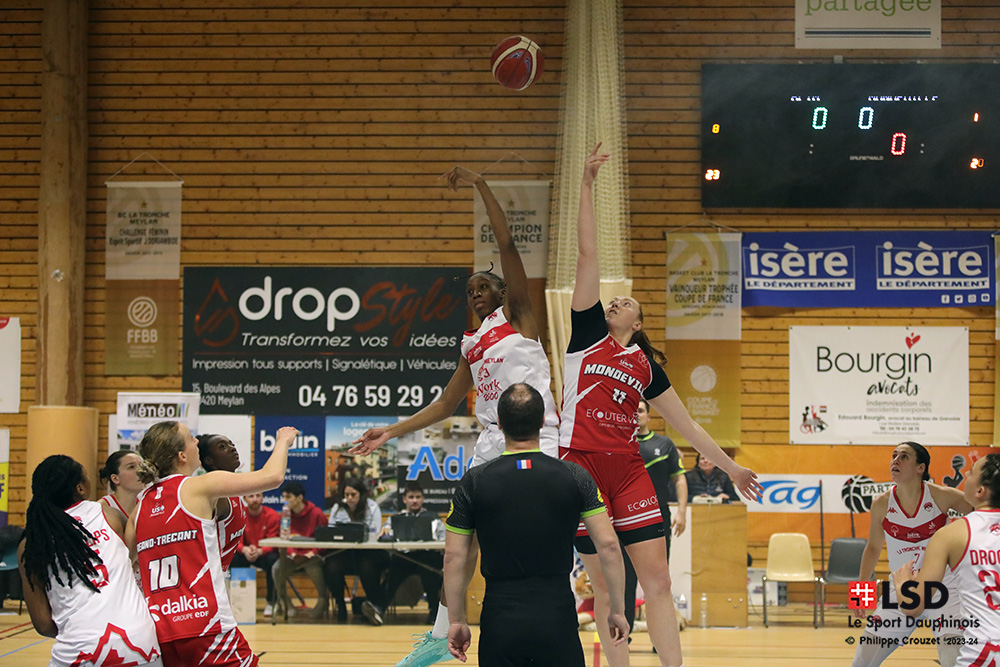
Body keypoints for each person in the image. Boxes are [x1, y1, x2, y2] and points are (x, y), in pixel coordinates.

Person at [559, 143, 761, 667]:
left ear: (639, 323)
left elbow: (687, 424)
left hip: (627, 472)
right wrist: (585, 184)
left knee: (659, 580)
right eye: (614, 299)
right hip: (579, 468)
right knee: (607, 587)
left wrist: (732, 467)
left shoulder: (646, 368)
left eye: (629, 301)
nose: (618, 299)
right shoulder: (584, 337)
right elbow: (588, 256)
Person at [350, 165, 560, 667]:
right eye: (467, 291)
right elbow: (445, 405)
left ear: (501, 291)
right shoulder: (471, 343)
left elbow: (508, 246)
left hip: (540, 436)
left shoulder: (520, 317)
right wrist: (390, 431)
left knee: (551, 532)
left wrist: (480, 185)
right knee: (462, 542)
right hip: (491, 441)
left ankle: (571, 613)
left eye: (481, 287)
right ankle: (442, 636)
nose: (473, 294)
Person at [445, 384, 629, 666]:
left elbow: (454, 556)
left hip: (500, 617)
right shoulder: (575, 476)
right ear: (543, 422)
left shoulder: (474, 481)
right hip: (557, 615)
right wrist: (617, 608)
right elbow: (608, 546)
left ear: (500, 423)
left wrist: (456, 618)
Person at [128, 421, 297, 666]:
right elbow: (273, 476)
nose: (197, 440)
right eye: (191, 438)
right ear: (182, 455)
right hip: (203, 623)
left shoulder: (141, 504)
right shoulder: (198, 486)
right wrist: (283, 440)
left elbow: (125, 564)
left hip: (158, 629)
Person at [19, 454, 162, 667]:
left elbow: (43, 624)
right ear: (80, 488)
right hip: (141, 644)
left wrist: (82, 628)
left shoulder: (32, 543)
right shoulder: (109, 515)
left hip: (80, 650)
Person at [851, 441, 972, 667]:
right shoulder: (881, 503)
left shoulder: (943, 496)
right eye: (894, 455)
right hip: (899, 588)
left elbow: (986, 512)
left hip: (943, 588)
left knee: (954, 661)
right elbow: (873, 548)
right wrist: (860, 594)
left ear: (920, 468)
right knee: (862, 662)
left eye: (904, 456)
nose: (895, 460)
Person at [891, 453, 1000, 667]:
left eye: (971, 473)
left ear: (980, 491)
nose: (965, 475)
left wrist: (902, 582)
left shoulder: (951, 534)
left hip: (984, 653)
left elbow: (913, 606)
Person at [322, 477, 388, 624]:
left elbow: (375, 532)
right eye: (347, 495)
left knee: (367, 566)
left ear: (361, 494)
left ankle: (372, 605)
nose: (350, 498)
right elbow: (331, 531)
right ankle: (341, 605)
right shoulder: (338, 508)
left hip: (367, 553)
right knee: (331, 565)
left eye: (353, 495)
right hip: (344, 553)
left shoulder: (372, 507)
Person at [381, 481, 446, 624]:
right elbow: (385, 535)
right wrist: (385, 534)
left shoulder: (433, 517)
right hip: (404, 557)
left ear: (423, 499)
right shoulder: (394, 519)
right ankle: (379, 609)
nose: (414, 500)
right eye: (411, 497)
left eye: (418, 497)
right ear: (404, 499)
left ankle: (434, 613)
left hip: (428, 556)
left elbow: (444, 539)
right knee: (393, 570)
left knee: (429, 568)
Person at [271, 480, 330, 620]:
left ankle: (322, 600)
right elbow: (282, 537)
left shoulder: (317, 514)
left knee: (314, 568)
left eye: (288, 497)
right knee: (277, 568)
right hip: (292, 556)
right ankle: (286, 602)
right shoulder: (284, 515)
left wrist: (312, 553)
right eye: (283, 497)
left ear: (299, 498)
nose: (285, 501)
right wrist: (291, 552)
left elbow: (324, 539)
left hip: (311, 557)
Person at [197, 433, 247, 571]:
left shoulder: (232, 490)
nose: (232, 448)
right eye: (222, 447)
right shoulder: (215, 496)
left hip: (218, 574)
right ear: (209, 460)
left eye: (232, 444)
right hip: (204, 576)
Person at [230, 491, 281, 618]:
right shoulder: (239, 515)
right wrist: (244, 549)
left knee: (274, 561)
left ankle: (271, 602)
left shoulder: (272, 515)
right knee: (233, 559)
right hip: (245, 553)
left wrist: (260, 550)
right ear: (245, 499)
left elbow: (274, 540)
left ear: (263, 497)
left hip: (263, 554)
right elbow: (235, 539)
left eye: (258, 496)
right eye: (251, 496)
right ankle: (238, 602)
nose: (255, 499)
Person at [97, 449, 146, 524]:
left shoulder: (146, 504)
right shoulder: (101, 508)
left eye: (142, 466)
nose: (141, 471)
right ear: (115, 478)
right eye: (131, 467)